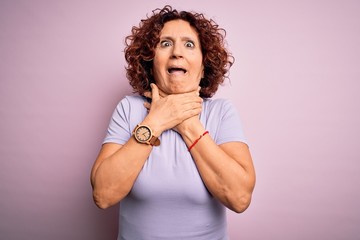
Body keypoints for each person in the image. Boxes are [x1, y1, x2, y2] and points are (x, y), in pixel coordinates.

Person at [91, 5, 256, 240]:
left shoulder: (222, 113)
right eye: (165, 43)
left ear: (203, 65)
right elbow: (103, 194)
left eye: (189, 45)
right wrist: (156, 121)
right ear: (150, 61)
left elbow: (240, 199)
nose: (177, 52)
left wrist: (187, 123)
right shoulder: (129, 109)